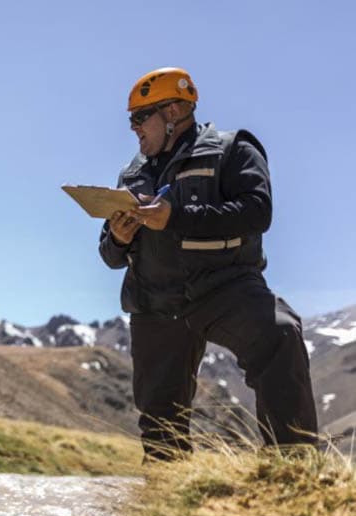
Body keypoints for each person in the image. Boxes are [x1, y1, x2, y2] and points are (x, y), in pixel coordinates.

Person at [98, 67, 317, 461]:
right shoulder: (131, 175)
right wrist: (119, 237)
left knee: (280, 335)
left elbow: (256, 212)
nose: (133, 127)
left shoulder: (234, 149)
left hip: (225, 289)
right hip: (154, 303)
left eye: (140, 116)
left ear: (175, 111)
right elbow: (109, 256)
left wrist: (176, 217)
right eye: (131, 118)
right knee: (160, 421)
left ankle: (293, 472)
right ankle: (165, 501)